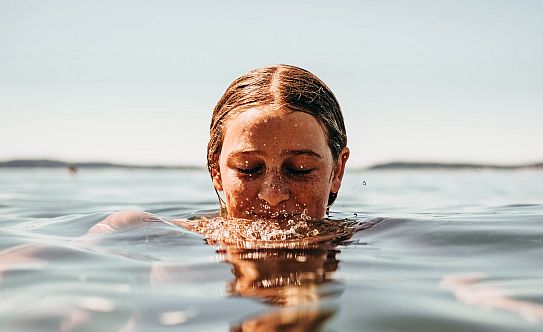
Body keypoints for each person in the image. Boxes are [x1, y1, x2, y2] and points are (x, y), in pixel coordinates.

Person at [88, 64, 350, 236]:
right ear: (216, 171)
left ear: (337, 171)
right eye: (249, 169)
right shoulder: (141, 231)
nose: (273, 194)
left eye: (299, 169)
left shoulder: (373, 239)